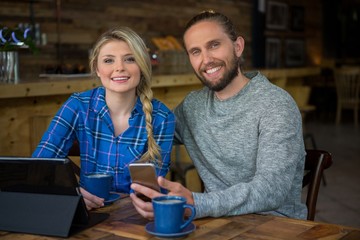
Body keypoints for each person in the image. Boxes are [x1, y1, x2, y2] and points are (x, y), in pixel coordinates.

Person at [130, 10, 307, 220]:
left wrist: (198, 203)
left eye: (214, 45)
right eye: (195, 51)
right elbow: (146, 134)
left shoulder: (275, 104)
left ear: (238, 47)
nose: (206, 59)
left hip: (275, 226)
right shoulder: (192, 106)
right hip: (215, 223)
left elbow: (272, 190)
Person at [32, 27, 175, 210]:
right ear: (97, 69)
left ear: (142, 66)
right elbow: (39, 168)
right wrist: (71, 193)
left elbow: (151, 189)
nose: (119, 68)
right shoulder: (78, 106)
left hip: (139, 214)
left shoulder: (162, 117)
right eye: (108, 60)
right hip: (89, 212)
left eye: (130, 59)